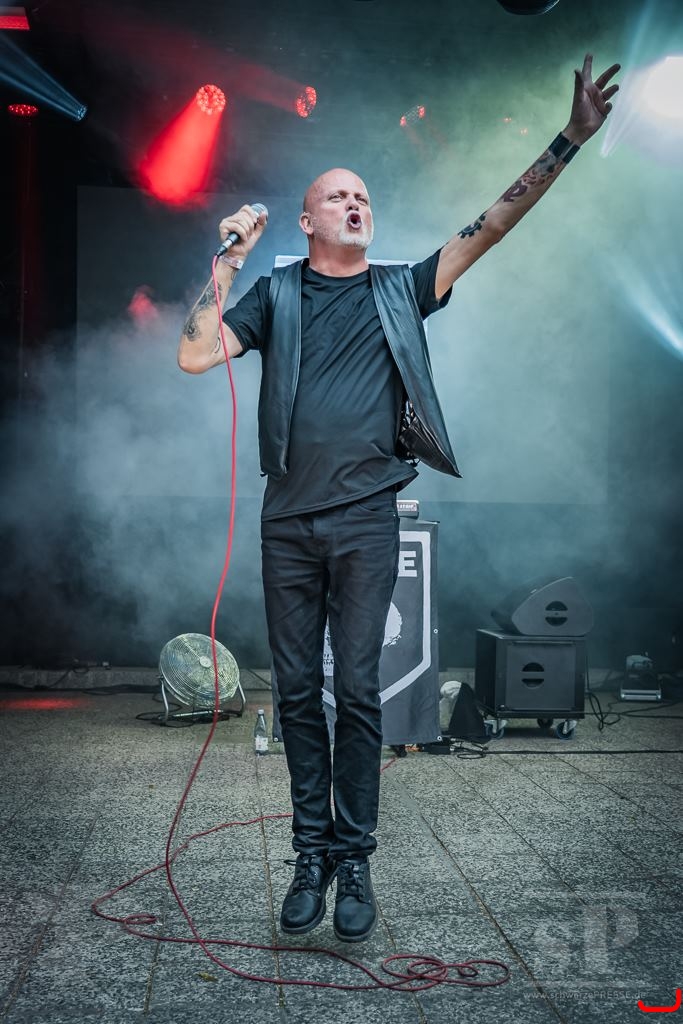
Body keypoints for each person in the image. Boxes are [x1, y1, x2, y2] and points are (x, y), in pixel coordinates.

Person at [178, 54, 619, 943]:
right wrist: (226, 261)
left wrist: (567, 141)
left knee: (358, 692)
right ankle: (308, 853)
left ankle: (354, 860)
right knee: (295, 695)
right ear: (306, 220)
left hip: (366, 518)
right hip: (287, 523)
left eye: (363, 196)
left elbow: (492, 224)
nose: (354, 203)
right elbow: (193, 353)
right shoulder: (274, 293)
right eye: (337, 196)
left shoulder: (400, 288)